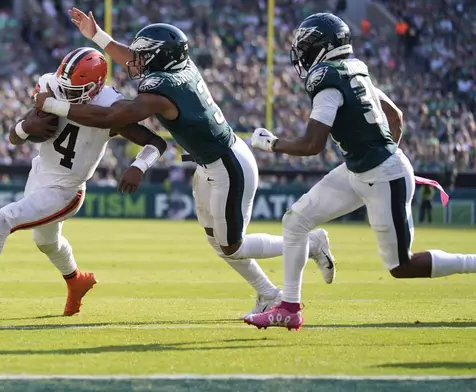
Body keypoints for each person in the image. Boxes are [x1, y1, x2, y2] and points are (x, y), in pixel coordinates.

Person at [34, 9, 337, 317]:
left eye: (144, 56)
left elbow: (111, 117)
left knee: (233, 245)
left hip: (228, 166)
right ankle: (267, 293)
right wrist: (98, 37)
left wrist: (53, 104)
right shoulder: (179, 68)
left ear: (159, 59)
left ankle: (310, 243)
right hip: (210, 164)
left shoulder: (160, 91)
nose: (135, 62)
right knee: (218, 243)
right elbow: (130, 59)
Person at [244, 13, 476, 331]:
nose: (303, 54)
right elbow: (395, 116)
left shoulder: (326, 78)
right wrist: (383, 151)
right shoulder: (355, 69)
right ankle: (289, 307)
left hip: (383, 176)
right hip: (362, 169)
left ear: (322, 47)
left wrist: (272, 144)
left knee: (401, 266)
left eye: (307, 47)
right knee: (295, 222)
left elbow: (313, 144)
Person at [0, 48, 168, 316]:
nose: (66, 94)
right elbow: (14, 137)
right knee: (46, 242)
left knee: (3, 220)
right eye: (63, 87)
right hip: (39, 172)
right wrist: (25, 128)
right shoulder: (50, 84)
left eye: (76, 90)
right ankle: (76, 282)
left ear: (96, 87)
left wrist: (139, 165)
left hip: (66, 190)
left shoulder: (111, 106)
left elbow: (155, 141)